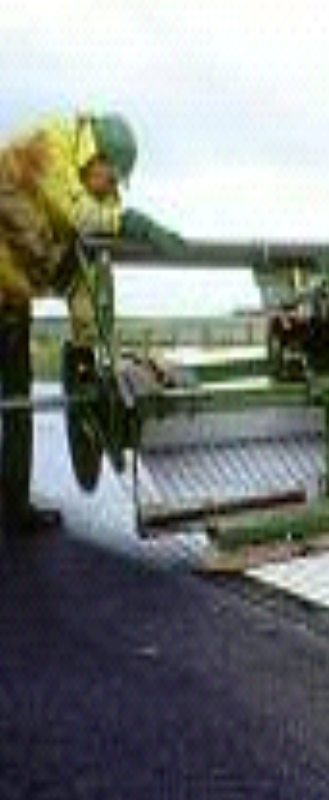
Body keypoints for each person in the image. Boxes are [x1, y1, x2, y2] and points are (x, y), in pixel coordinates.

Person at [0, 111, 182, 535]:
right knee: (12, 399)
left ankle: (14, 506)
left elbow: (101, 223)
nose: (111, 189)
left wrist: (93, 347)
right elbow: (80, 215)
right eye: (111, 178)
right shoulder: (50, 145)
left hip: (13, 292)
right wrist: (129, 222)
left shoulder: (92, 176)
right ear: (95, 158)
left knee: (17, 398)